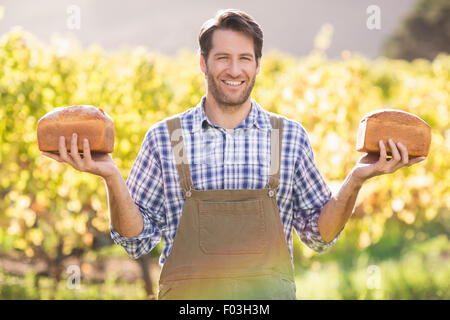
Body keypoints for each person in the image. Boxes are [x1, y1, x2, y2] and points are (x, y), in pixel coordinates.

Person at [41, 9, 426, 300]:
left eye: (245, 58)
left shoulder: (288, 137)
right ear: (203, 63)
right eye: (222, 57)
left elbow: (318, 237)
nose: (234, 69)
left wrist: (356, 178)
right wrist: (111, 176)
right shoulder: (165, 138)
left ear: (258, 64)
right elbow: (137, 243)